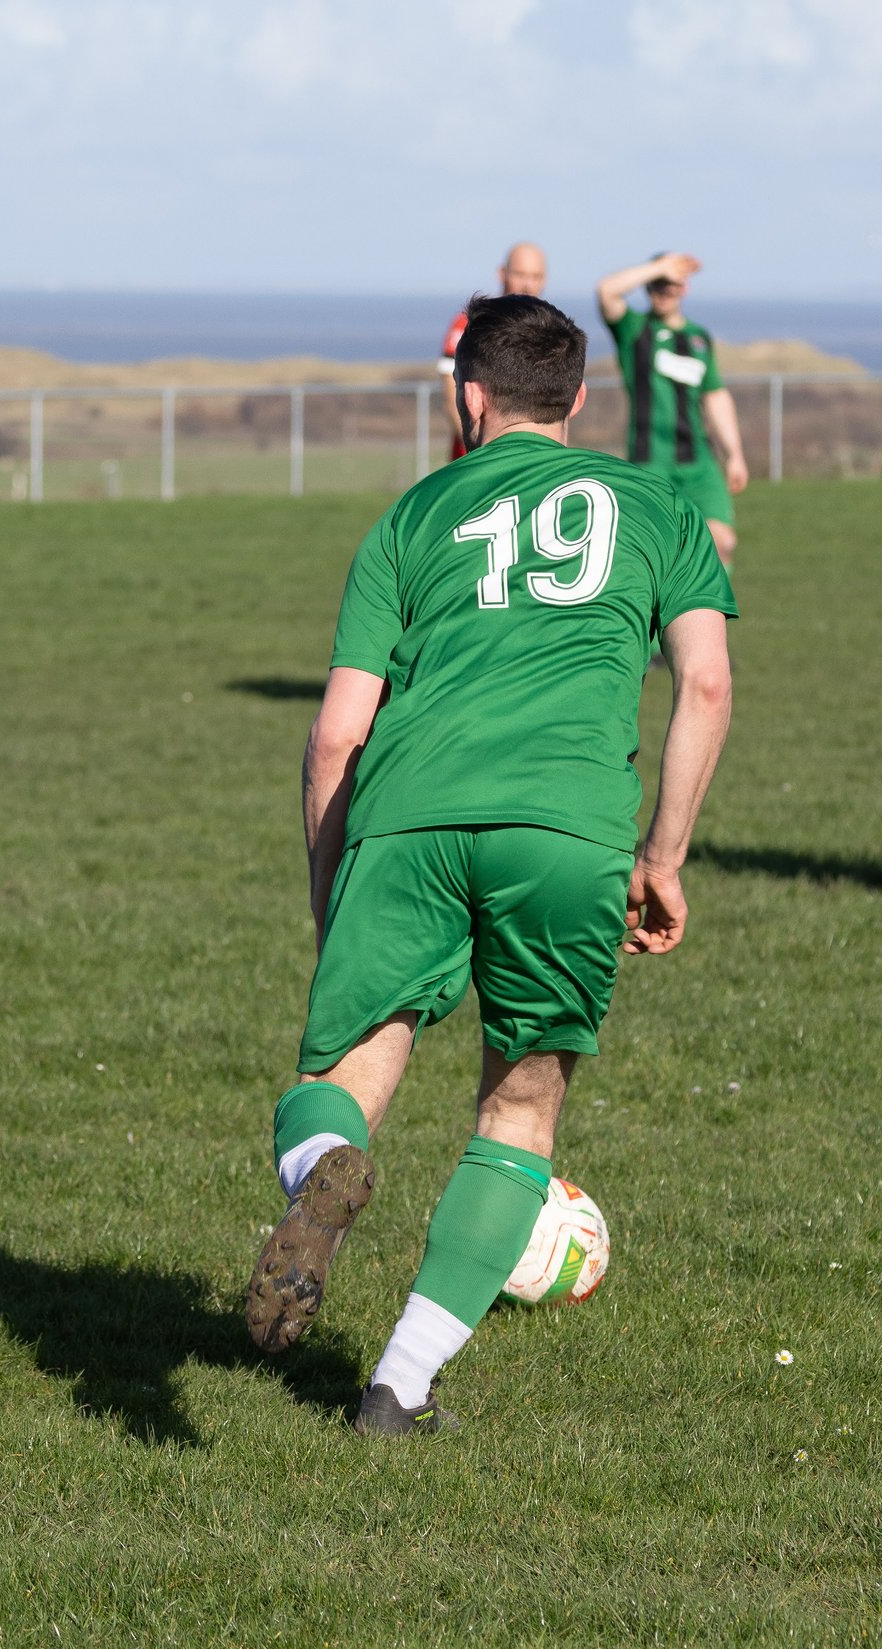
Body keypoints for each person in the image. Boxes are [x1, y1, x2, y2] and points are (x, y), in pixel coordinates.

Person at [244, 294, 736, 1436]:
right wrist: (662, 857)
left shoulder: (413, 514)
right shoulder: (657, 506)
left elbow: (335, 735)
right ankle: (398, 1389)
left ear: (469, 396)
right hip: (567, 827)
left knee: (344, 1071)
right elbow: (706, 686)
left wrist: (335, 890)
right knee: (518, 1110)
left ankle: (326, 1168)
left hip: (408, 815)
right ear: (577, 398)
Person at [595, 253, 751, 567]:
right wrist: (659, 267)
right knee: (658, 553)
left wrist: (734, 454)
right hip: (650, 461)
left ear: (684, 287)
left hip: (698, 461)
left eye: (671, 284)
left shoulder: (698, 338)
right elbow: (607, 291)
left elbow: (715, 396)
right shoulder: (634, 329)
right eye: (657, 284)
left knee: (721, 542)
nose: (664, 291)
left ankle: (712, 601)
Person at [438, 243, 548, 460]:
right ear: (502, 273)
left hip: (530, 461)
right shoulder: (470, 324)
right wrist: (484, 456)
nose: (528, 284)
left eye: (536, 276)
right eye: (520, 274)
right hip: (476, 459)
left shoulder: (551, 331)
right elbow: (451, 397)